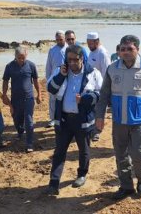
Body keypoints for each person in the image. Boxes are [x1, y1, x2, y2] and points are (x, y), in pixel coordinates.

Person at [96, 35, 141, 199]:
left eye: (129, 49)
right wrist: (100, 116)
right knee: (121, 155)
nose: (125, 52)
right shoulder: (112, 68)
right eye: (123, 49)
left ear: (137, 50)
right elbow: (104, 95)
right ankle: (126, 186)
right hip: (119, 121)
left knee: (138, 154)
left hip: (139, 121)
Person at [44, 45, 103, 195]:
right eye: (69, 60)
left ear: (82, 58)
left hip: (82, 120)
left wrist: (85, 99)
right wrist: (61, 76)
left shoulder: (93, 73)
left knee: (84, 149)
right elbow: (50, 89)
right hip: (64, 119)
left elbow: (101, 95)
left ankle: (82, 174)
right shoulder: (60, 70)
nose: (72, 63)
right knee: (59, 151)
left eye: (75, 60)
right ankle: (54, 183)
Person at [2, 47, 42, 153]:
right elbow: (5, 81)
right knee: (16, 118)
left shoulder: (31, 65)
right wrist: (4, 94)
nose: (21, 60)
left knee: (29, 121)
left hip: (28, 98)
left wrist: (39, 94)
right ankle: (20, 132)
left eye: (23, 58)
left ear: (26, 56)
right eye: (19, 58)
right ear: (15, 56)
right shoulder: (9, 66)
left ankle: (29, 143)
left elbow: (36, 81)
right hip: (15, 98)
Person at [86, 32, 110, 142]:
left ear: (97, 41)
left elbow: (107, 72)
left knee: (100, 111)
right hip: (91, 87)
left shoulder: (102, 53)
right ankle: (92, 130)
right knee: (92, 110)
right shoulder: (91, 52)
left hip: (101, 87)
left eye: (91, 43)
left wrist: (106, 90)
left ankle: (97, 132)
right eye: (88, 43)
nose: (89, 45)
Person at [45, 30, 67, 128]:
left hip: (66, 78)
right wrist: (48, 79)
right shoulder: (52, 49)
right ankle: (52, 118)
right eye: (57, 40)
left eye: (61, 39)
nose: (59, 41)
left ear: (65, 39)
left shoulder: (69, 48)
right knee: (52, 98)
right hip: (54, 77)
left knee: (64, 97)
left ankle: (63, 117)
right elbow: (48, 66)